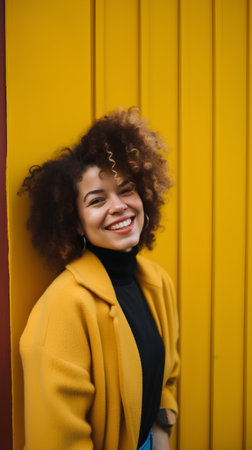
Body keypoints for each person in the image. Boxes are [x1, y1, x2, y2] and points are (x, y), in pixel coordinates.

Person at [19, 107, 180, 450]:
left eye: (126, 190)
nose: (118, 206)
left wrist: (161, 434)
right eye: (96, 200)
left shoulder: (157, 282)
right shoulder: (64, 306)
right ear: (76, 222)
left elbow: (167, 375)